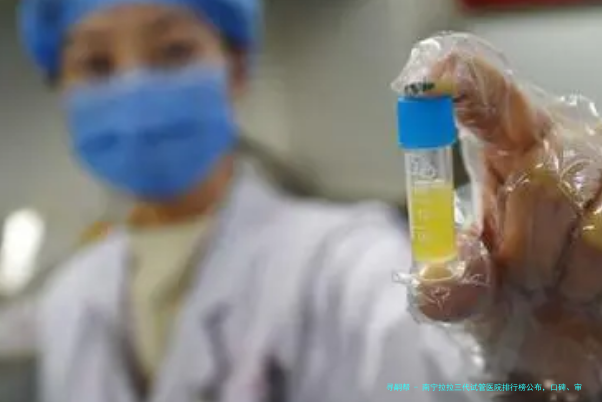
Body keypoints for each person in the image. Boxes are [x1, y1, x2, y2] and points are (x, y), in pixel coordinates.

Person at [6, 1, 602, 402]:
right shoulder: (69, 296)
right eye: (95, 63)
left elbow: (437, 372)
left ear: (237, 70)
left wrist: (527, 367)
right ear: (60, 87)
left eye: (173, 51)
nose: (134, 88)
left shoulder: (344, 257)